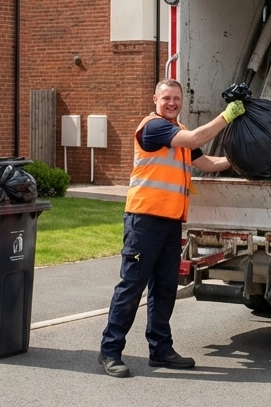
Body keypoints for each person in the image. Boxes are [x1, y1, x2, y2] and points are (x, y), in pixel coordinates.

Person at [98, 79, 245, 377]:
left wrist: (240, 160)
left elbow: (206, 163)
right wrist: (226, 116)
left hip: (169, 222)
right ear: (155, 99)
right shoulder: (155, 128)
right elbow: (192, 140)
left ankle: (161, 350)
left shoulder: (177, 132)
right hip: (144, 220)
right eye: (166, 98)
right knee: (132, 286)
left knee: (164, 288)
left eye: (176, 98)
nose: (172, 103)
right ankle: (110, 351)